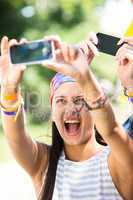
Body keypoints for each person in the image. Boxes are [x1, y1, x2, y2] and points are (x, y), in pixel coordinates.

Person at [0, 35, 133, 200]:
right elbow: (16, 137)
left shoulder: (119, 160)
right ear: (53, 110)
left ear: (94, 109)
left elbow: (112, 130)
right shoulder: (43, 163)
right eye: (61, 101)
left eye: (79, 100)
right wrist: (9, 89)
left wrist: (84, 76)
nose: (71, 109)